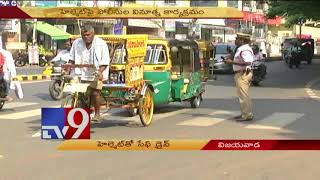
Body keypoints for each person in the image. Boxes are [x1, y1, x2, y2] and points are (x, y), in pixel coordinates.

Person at [69, 25, 110, 122]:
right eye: (84, 35)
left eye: (88, 35)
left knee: (95, 92)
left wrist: (100, 72)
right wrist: (67, 68)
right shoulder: (76, 43)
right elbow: (71, 58)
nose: (86, 37)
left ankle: (97, 113)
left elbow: (105, 61)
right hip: (80, 73)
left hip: (97, 72)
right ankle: (83, 111)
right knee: (79, 93)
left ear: (93, 34)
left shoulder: (101, 43)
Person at [224, 33, 254, 121]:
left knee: (244, 95)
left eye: (237, 39)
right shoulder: (240, 49)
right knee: (242, 95)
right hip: (241, 73)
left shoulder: (244, 50)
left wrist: (231, 63)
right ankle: (244, 113)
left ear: (242, 40)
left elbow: (248, 62)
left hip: (242, 74)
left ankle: (247, 115)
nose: (235, 40)